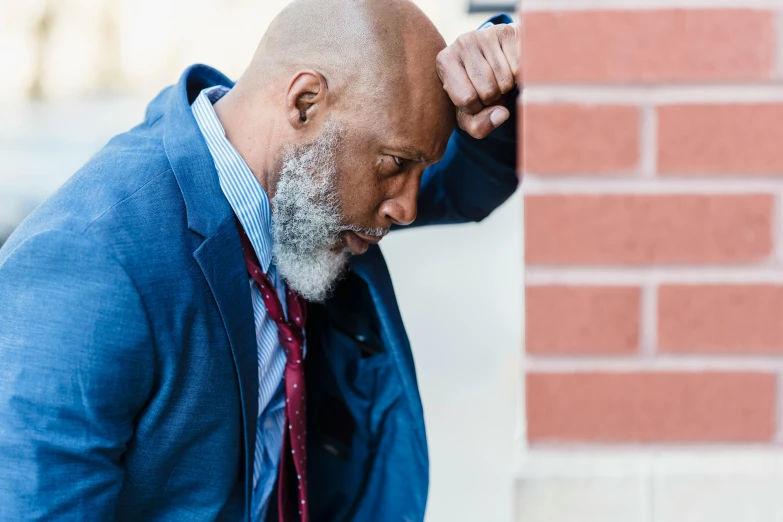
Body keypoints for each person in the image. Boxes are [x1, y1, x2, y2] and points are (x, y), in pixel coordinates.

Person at [0, 0, 519, 520]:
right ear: (304, 103)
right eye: (396, 165)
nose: (406, 207)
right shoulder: (90, 260)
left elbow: (472, 181)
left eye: (418, 170)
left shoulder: (305, 188)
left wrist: (509, 68)